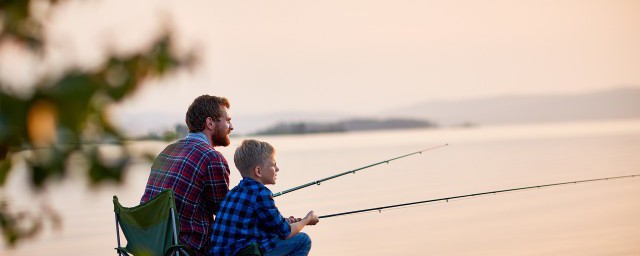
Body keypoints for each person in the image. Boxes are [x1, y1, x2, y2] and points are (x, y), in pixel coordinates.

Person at [140, 95, 234, 256]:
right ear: (210, 122)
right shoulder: (212, 158)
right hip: (187, 249)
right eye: (227, 120)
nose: (231, 126)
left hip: (153, 245)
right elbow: (226, 216)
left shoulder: (167, 151)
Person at [210, 139, 319, 256]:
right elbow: (286, 232)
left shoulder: (233, 193)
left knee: (274, 236)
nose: (277, 169)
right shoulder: (261, 193)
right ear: (258, 171)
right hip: (243, 253)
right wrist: (307, 219)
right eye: (273, 165)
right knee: (303, 240)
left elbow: (259, 225)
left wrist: (286, 221)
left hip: (223, 252)